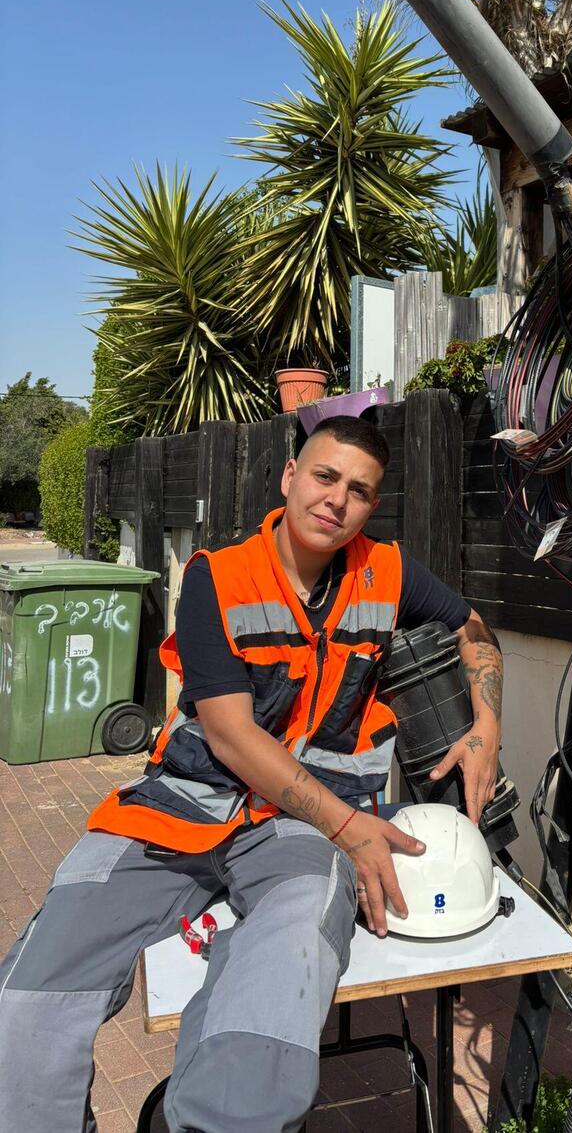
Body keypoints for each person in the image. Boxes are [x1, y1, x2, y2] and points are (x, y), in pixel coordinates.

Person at [0, 415, 505, 1133]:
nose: (337, 498)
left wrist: (487, 726)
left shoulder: (384, 570)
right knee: (34, 990)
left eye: (359, 490)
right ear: (289, 477)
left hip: (297, 826)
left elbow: (472, 629)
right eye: (324, 476)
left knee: (291, 952)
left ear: (371, 506)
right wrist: (352, 825)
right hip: (179, 808)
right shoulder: (218, 576)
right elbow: (233, 736)